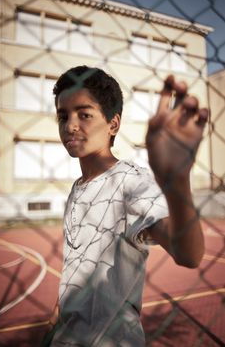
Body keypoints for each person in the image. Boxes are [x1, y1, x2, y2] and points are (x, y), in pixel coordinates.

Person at [43, 65, 208, 346]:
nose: (70, 125)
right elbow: (77, 264)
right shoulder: (77, 188)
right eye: (63, 116)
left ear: (113, 124)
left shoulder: (131, 182)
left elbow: (189, 255)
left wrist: (178, 181)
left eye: (84, 114)